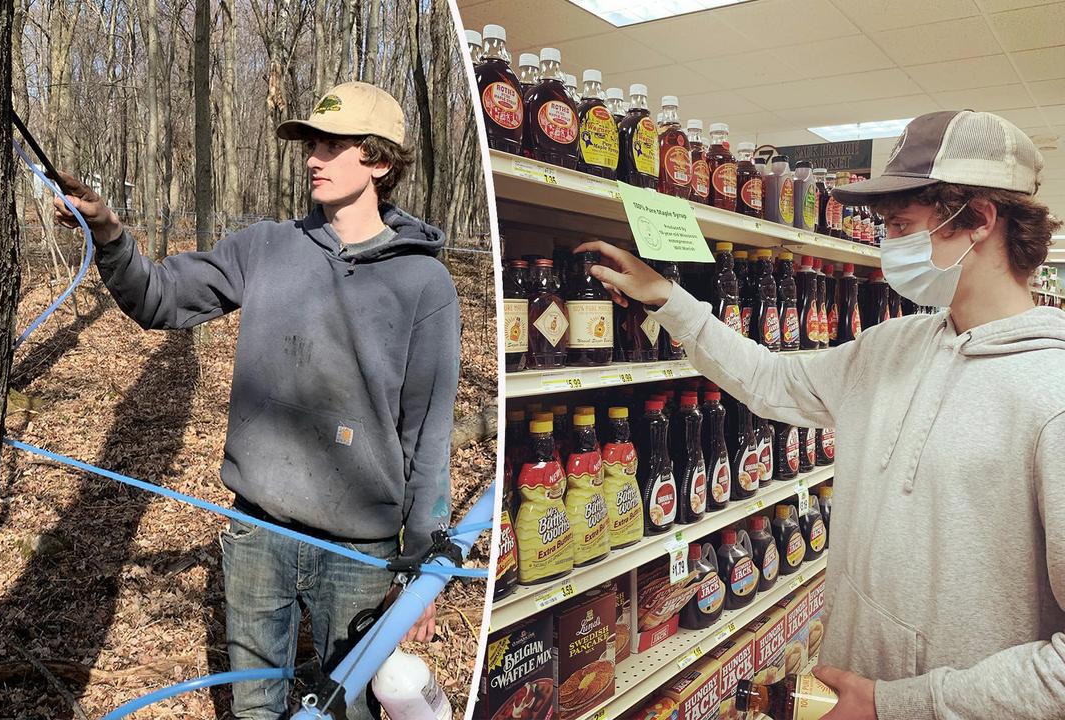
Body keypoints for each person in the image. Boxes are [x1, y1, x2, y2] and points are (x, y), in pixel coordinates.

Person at [578, 110, 1065, 720]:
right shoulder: (892, 347)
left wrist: (905, 704)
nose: (889, 244)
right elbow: (771, 380)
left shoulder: (1053, 397)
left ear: (978, 222)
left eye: (902, 224)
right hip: (844, 693)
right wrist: (672, 302)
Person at [52, 81, 460, 720]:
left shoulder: (424, 282)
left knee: (350, 709)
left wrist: (421, 570)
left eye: (333, 144)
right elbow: (160, 298)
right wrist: (108, 232)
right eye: (310, 144)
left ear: (379, 162)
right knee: (254, 709)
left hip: (360, 553)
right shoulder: (266, 247)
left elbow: (427, 435)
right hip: (257, 532)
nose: (313, 159)